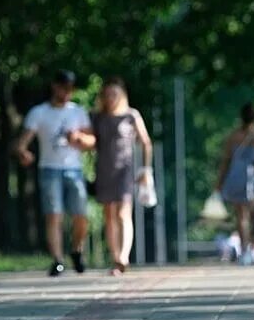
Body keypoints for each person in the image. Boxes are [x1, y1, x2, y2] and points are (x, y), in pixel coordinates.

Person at [16, 70, 92, 276]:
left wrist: (77, 139)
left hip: (74, 169)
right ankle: (58, 259)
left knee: (81, 216)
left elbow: (91, 141)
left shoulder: (78, 112)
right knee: (53, 215)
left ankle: (76, 250)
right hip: (49, 169)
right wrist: (23, 153)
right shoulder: (39, 112)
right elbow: (22, 142)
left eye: (70, 88)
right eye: (63, 87)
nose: (67, 92)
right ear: (55, 87)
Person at [88, 77, 153, 275]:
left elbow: (146, 142)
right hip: (104, 170)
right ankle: (115, 257)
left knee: (123, 213)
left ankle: (124, 256)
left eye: (114, 94)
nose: (110, 98)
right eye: (106, 95)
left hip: (125, 171)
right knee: (109, 214)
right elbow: (89, 139)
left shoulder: (131, 115)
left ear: (122, 95)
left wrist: (145, 170)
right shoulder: (97, 117)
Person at [215, 103, 254, 265]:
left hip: (236, 177)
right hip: (253, 179)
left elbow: (226, 161)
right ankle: (253, 249)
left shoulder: (233, 137)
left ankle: (245, 249)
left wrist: (219, 182)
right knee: (253, 215)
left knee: (240, 215)